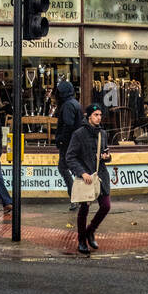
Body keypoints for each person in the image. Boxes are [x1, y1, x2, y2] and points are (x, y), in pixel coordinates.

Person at [65, 103, 112, 256]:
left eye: (100, 115)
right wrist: (81, 172)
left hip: (101, 176)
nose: (99, 118)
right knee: (84, 209)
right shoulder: (79, 134)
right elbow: (70, 157)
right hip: (86, 177)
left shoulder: (102, 134)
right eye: (96, 115)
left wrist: (107, 157)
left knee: (106, 206)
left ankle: (90, 231)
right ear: (88, 116)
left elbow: (106, 153)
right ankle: (81, 240)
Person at [54, 80, 85, 210]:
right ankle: (78, 197)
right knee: (74, 169)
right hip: (75, 142)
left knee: (64, 168)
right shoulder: (75, 103)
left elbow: (68, 125)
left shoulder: (67, 105)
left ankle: (75, 197)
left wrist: (61, 140)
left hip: (68, 144)